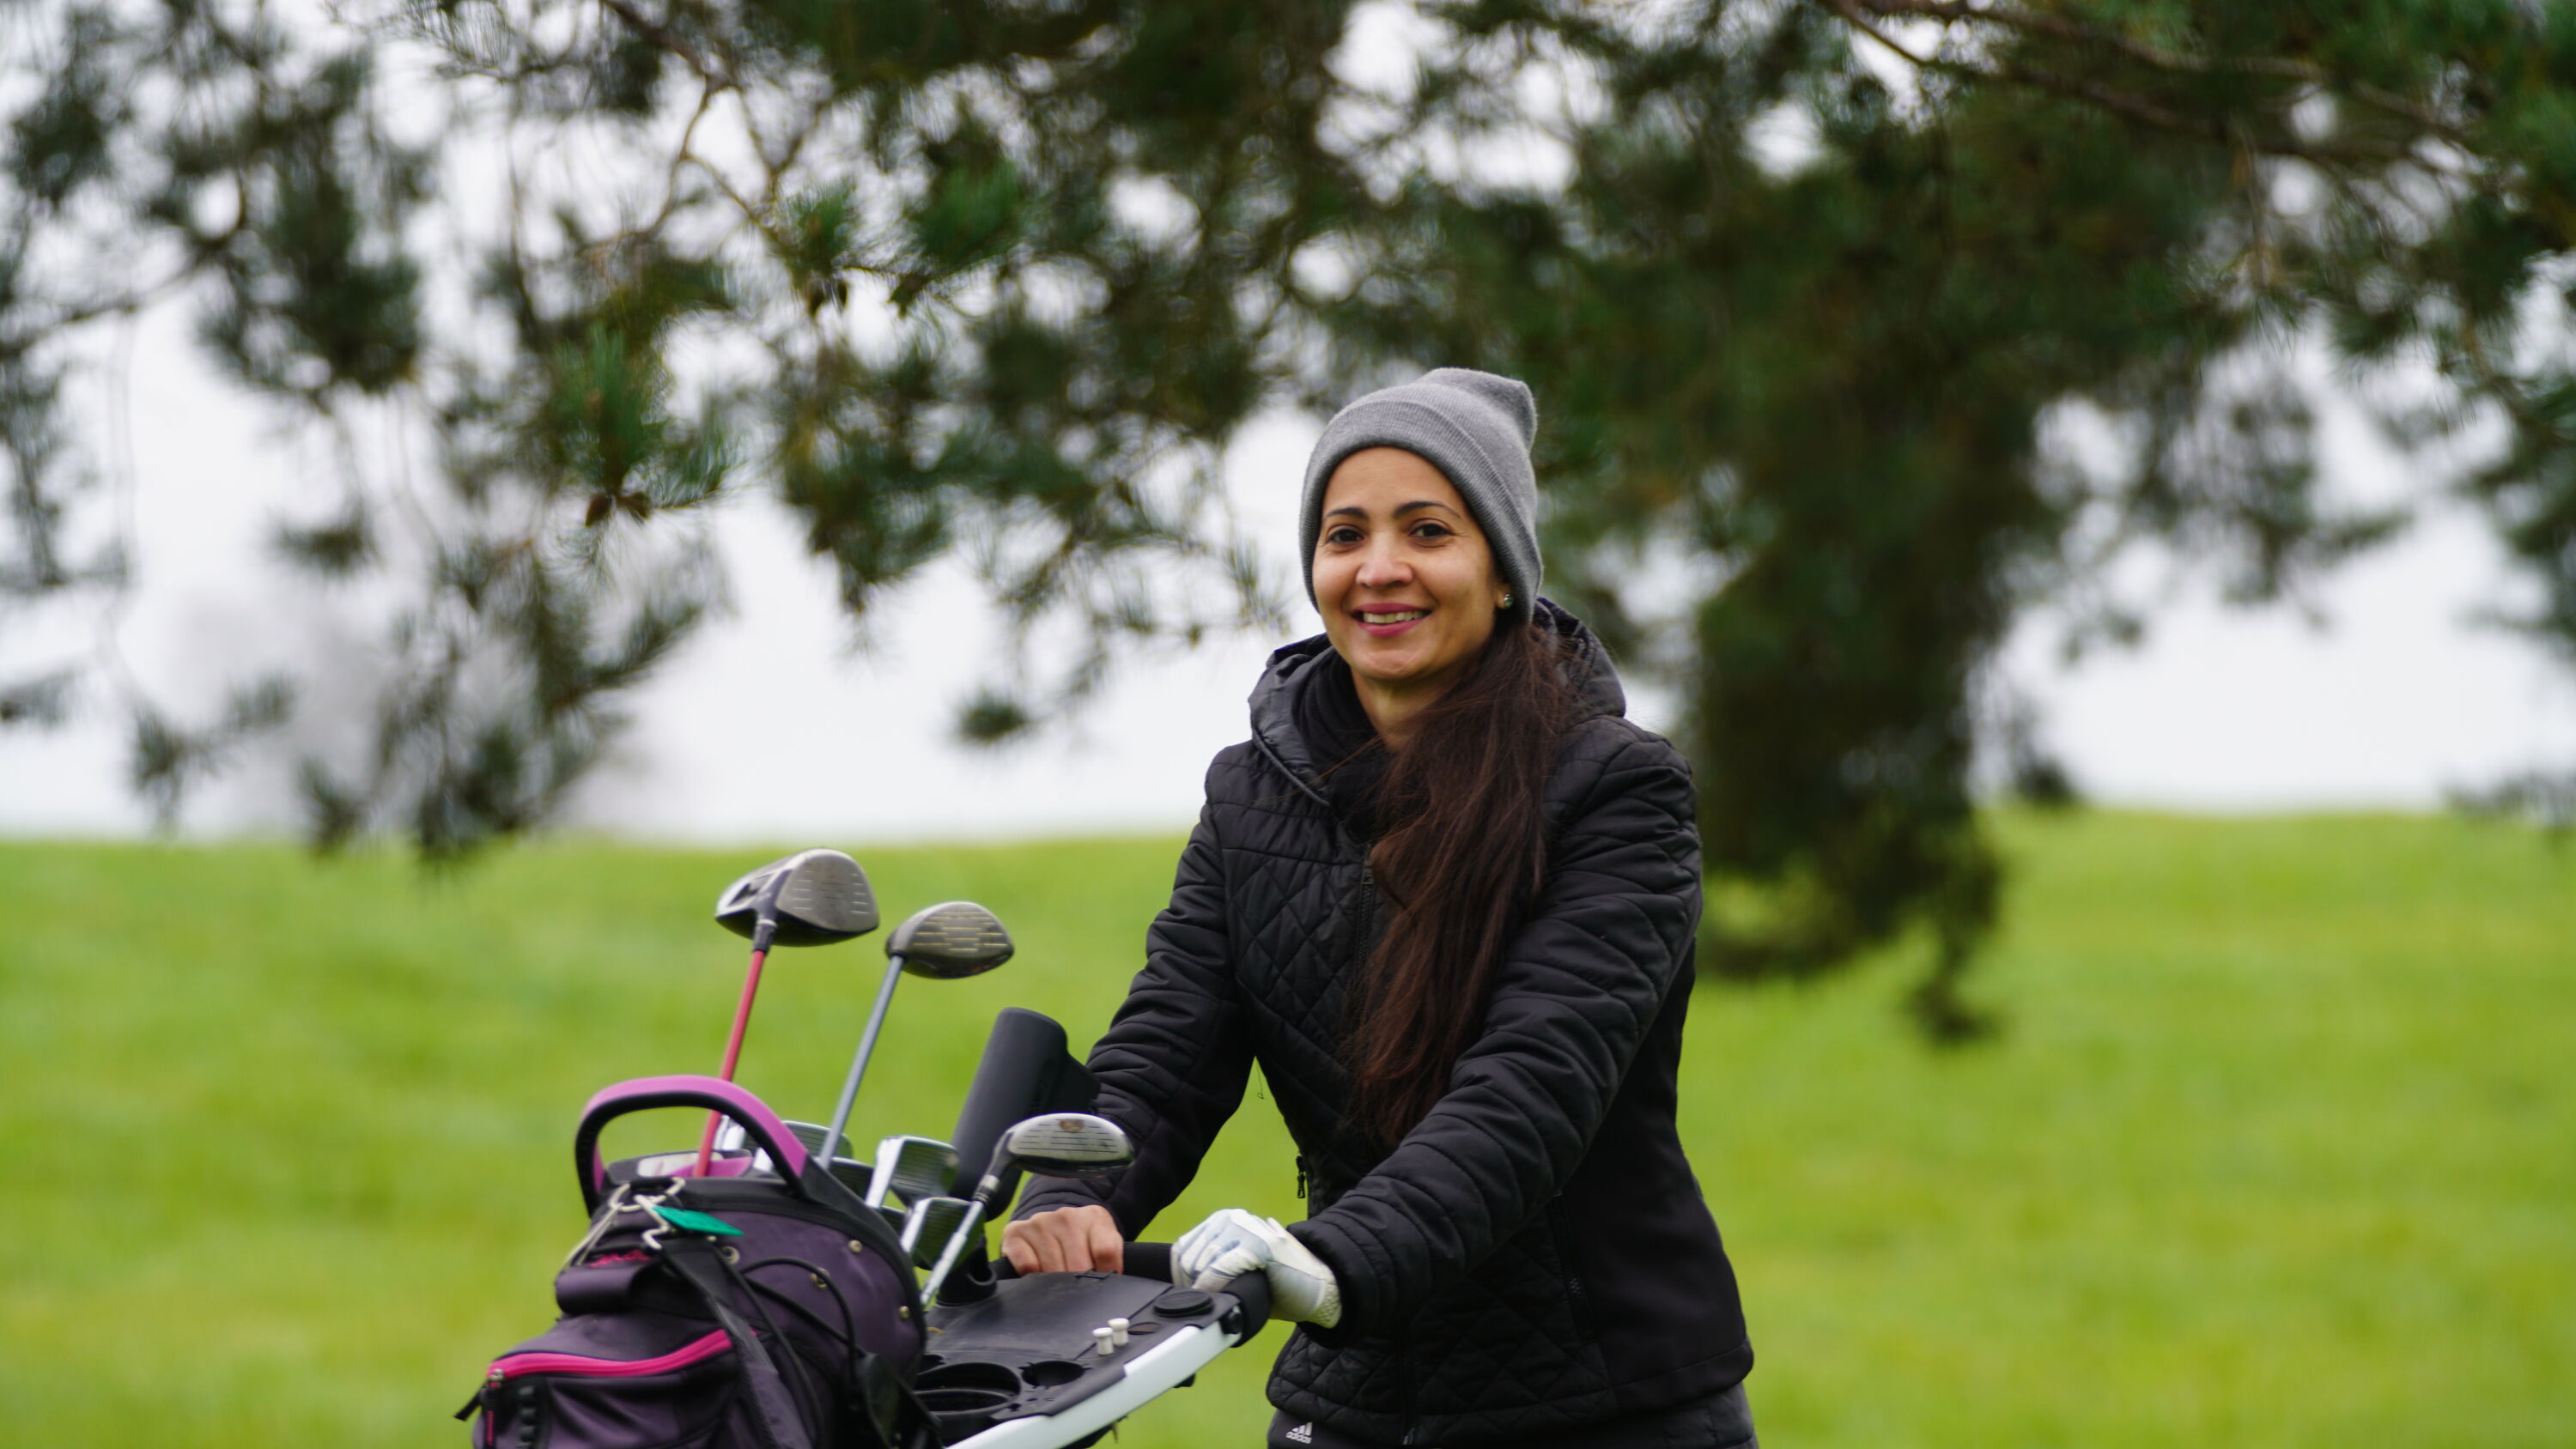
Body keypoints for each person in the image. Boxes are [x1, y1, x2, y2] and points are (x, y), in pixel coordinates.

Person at [1005, 368, 1755, 1448]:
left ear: (1503, 571)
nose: (1380, 568)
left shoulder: (1615, 789)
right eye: (1345, 534)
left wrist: (1334, 1259)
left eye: (1429, 530)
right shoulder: (1251, 791)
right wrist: (1070, 1202)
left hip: (1606, 1402)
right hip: (1353, 1395)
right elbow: (1166, 1050)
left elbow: (1530, 1090)